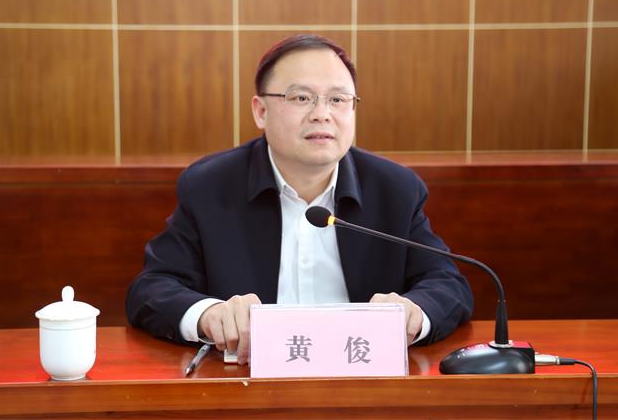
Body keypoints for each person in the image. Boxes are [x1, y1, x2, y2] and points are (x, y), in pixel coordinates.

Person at [126, 34, 473, 365]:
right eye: (301, 98)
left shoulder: (394, 189)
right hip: (248, 383)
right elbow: (151, 289)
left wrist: (415, 312)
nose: (322, 113)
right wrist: (208, 315)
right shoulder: (210, 187)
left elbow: (448, 285)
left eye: (338, 99)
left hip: (361, 380)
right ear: (261, 111)